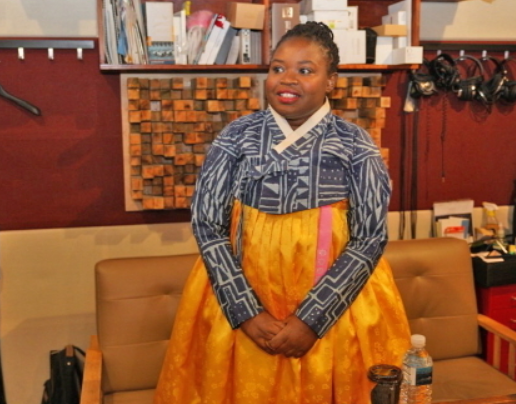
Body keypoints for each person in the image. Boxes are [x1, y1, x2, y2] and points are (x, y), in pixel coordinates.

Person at [153, 21, 410, 404]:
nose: (287, 79)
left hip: (338, 311)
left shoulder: (356, 145)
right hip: (240, 305)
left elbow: (370, 237)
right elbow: (207, 225)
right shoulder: (235, 137)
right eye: (277, 68)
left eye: (305, 70)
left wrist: (312, 319)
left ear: (331, 81)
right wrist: (246, 312)